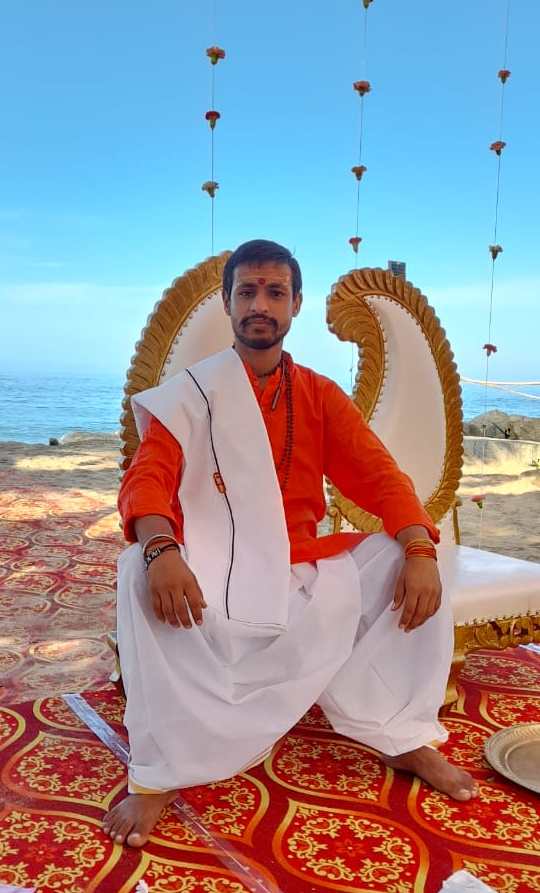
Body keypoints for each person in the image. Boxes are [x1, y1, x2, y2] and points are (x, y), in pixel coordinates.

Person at [104, 239, 478, 848]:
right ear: (227, 302)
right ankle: (162, 772)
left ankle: (401, 734)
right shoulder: (192, 394)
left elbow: (380, 476)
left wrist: (418, 548)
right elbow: (147, 479)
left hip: (299, 566)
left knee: (404, 556)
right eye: (247, 292)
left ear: (295, 304)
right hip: (211, 570)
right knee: (134, 567)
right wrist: (161, 551)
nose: (260, 304)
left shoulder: (319, 395)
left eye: (274, 292)